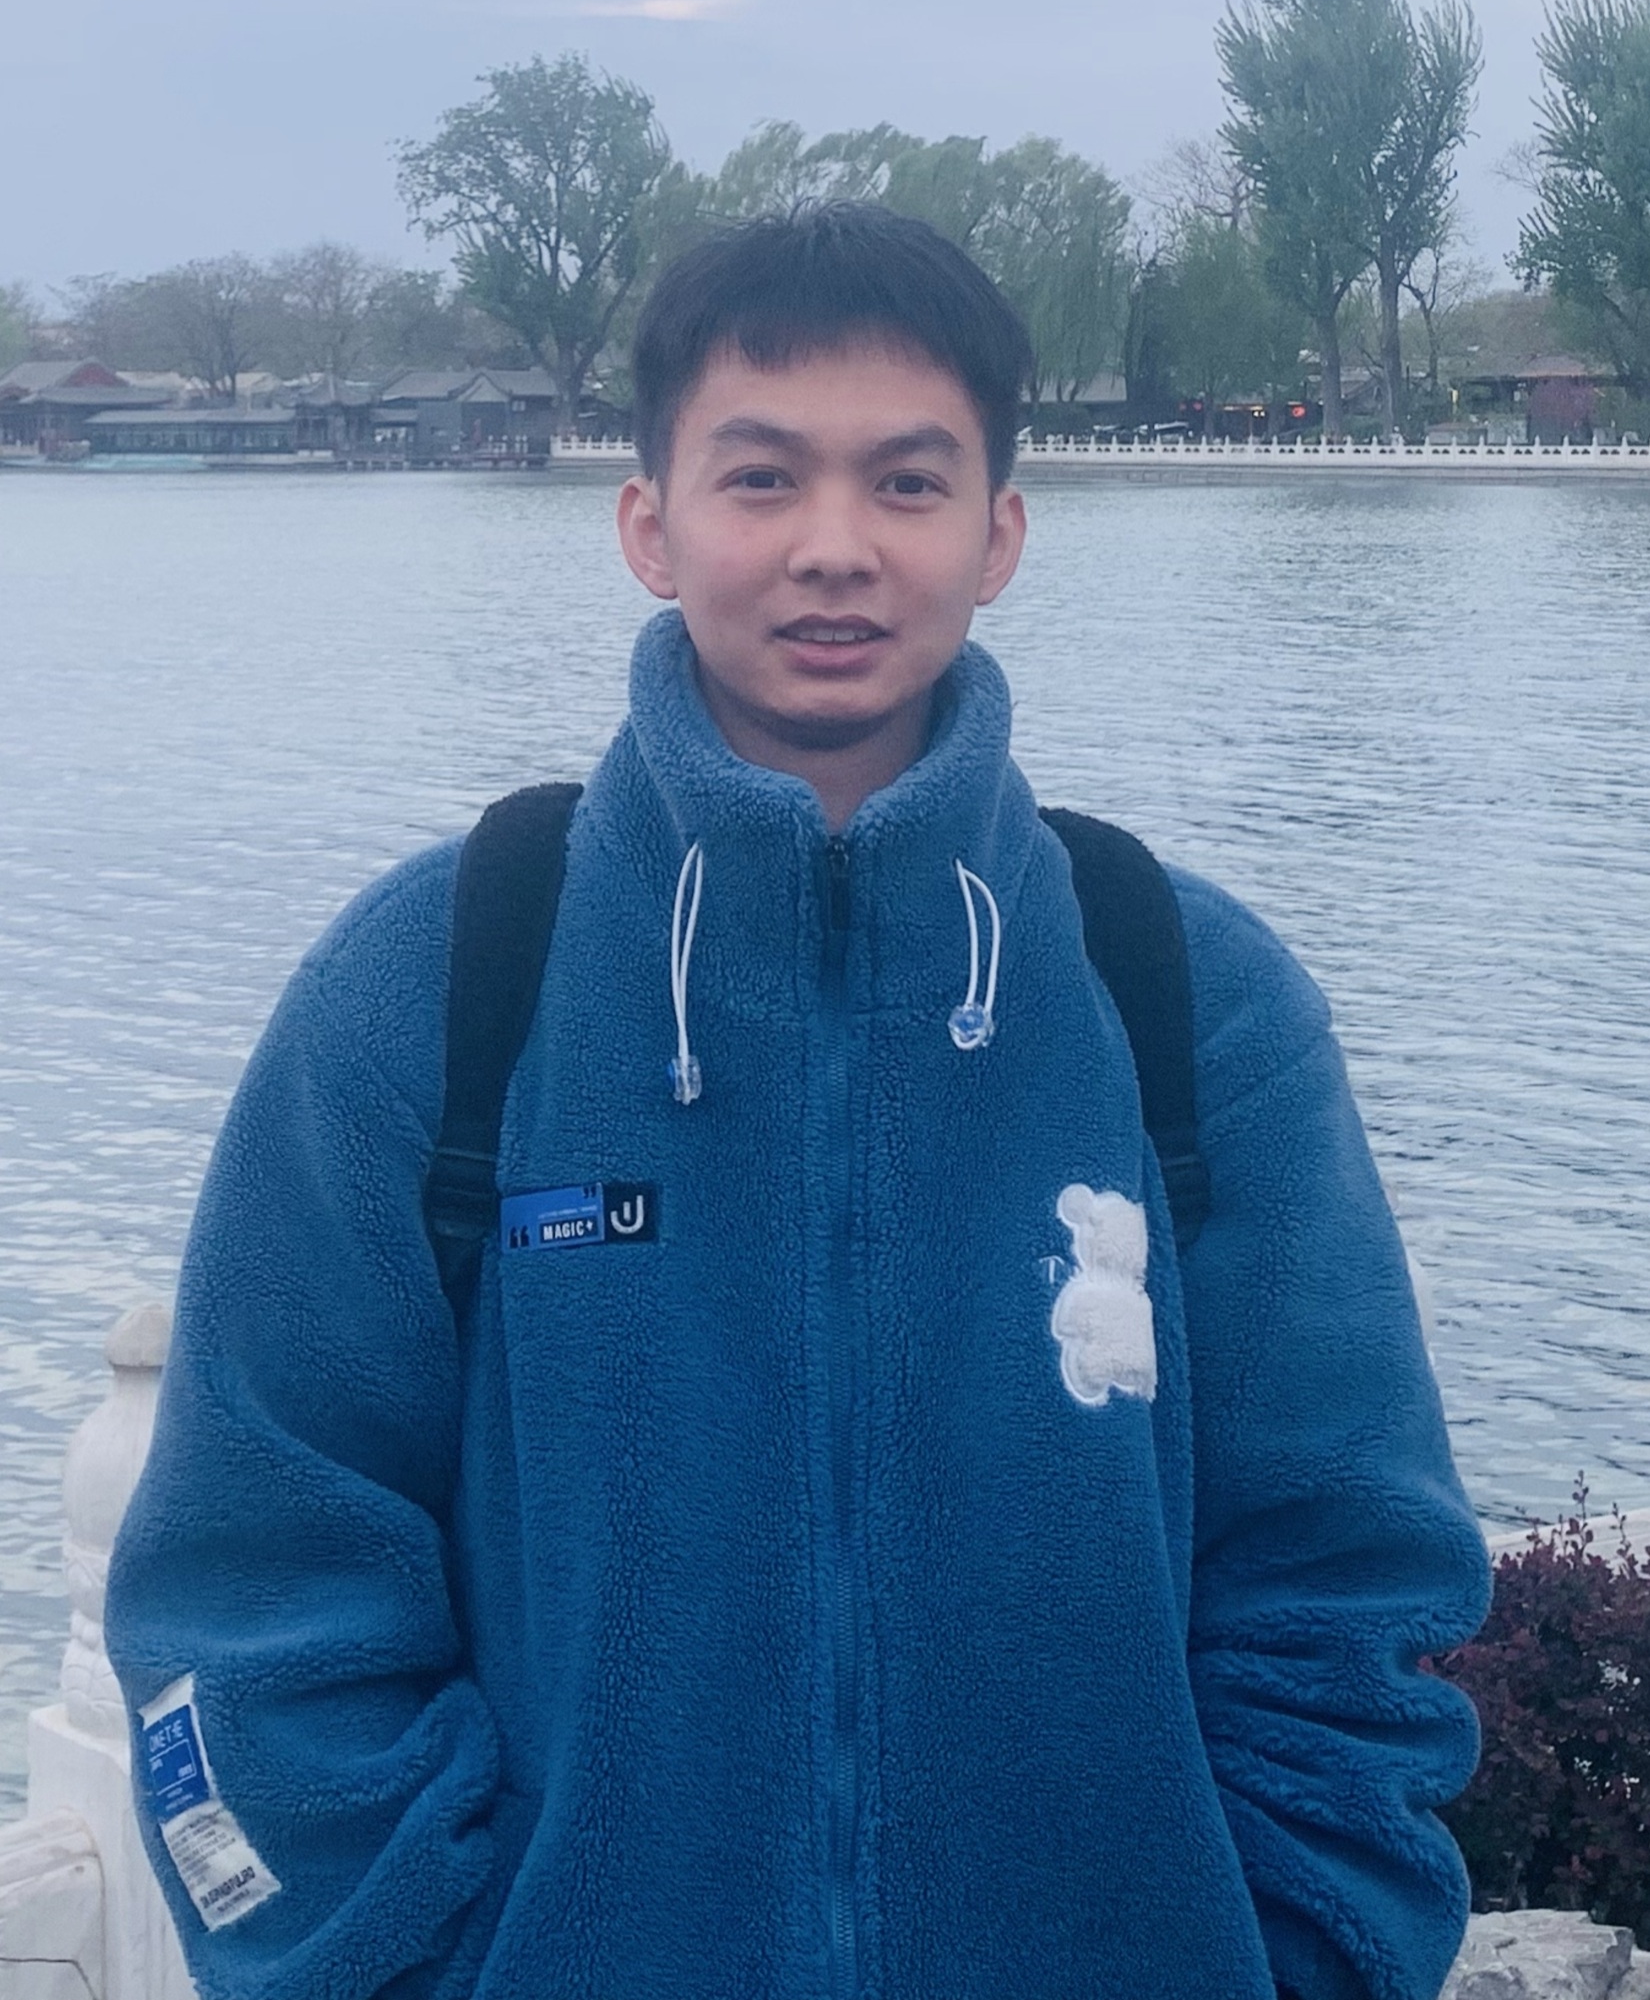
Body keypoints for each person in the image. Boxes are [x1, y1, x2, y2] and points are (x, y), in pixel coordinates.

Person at [107, 204, 1489, 2000]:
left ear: (997, 533)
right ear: (648, 522)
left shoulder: (1185, 996)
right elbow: (252, 1582)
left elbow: (1350, 1567)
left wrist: (1292, 1951)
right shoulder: (438, 986)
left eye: (907, 483)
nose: (833, 547)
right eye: (760, 478)